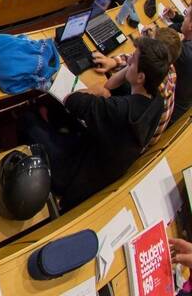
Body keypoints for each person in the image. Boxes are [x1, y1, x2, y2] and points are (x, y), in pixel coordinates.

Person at [20, 37, 169, 210]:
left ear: (141, 77)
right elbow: (112, 86)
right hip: (96, 157)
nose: (128, 60)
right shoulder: (156, 101)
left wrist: (96, 91)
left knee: (27, 119)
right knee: (60, 112)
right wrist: (129, 69)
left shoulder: (120, 110)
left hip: (75, 174)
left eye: (133, 60)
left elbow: (73, 100)